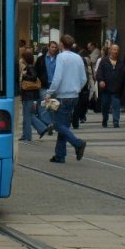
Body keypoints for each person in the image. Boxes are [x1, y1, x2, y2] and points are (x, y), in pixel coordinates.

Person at [43, 35, 87, 164]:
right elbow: (83, 78)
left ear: (62, 44)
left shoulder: (61, 57)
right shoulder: (78, 57)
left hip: (63, 96)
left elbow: (57, 78)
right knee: (64, 125)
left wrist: (49, 93)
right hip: (74, 95)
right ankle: (60, 155)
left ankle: (78, 143)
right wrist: (76, 88)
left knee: (58, 124)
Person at [18, 50, 52, 141]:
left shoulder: (30, 68)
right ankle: (41, 129)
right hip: (27, 95)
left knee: (27, 116)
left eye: (22, 58)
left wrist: (24, 76)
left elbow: (33, 77)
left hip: (29, 95)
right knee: (27, 115)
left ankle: (27, 136)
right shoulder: (28, 67)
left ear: (25, 59)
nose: (21, 59)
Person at [95, 44, 125, 128]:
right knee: (105, 106)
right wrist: (101, 80)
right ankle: (105, 119)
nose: (116, 51)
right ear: (110, 50)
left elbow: (123, 75)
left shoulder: (121, 63)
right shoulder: (104, 61)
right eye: (114, 50)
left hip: (116, 89)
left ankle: (116, 121)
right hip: (106, 89)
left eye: (117, 50)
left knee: (116, 106)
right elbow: (99, 73)